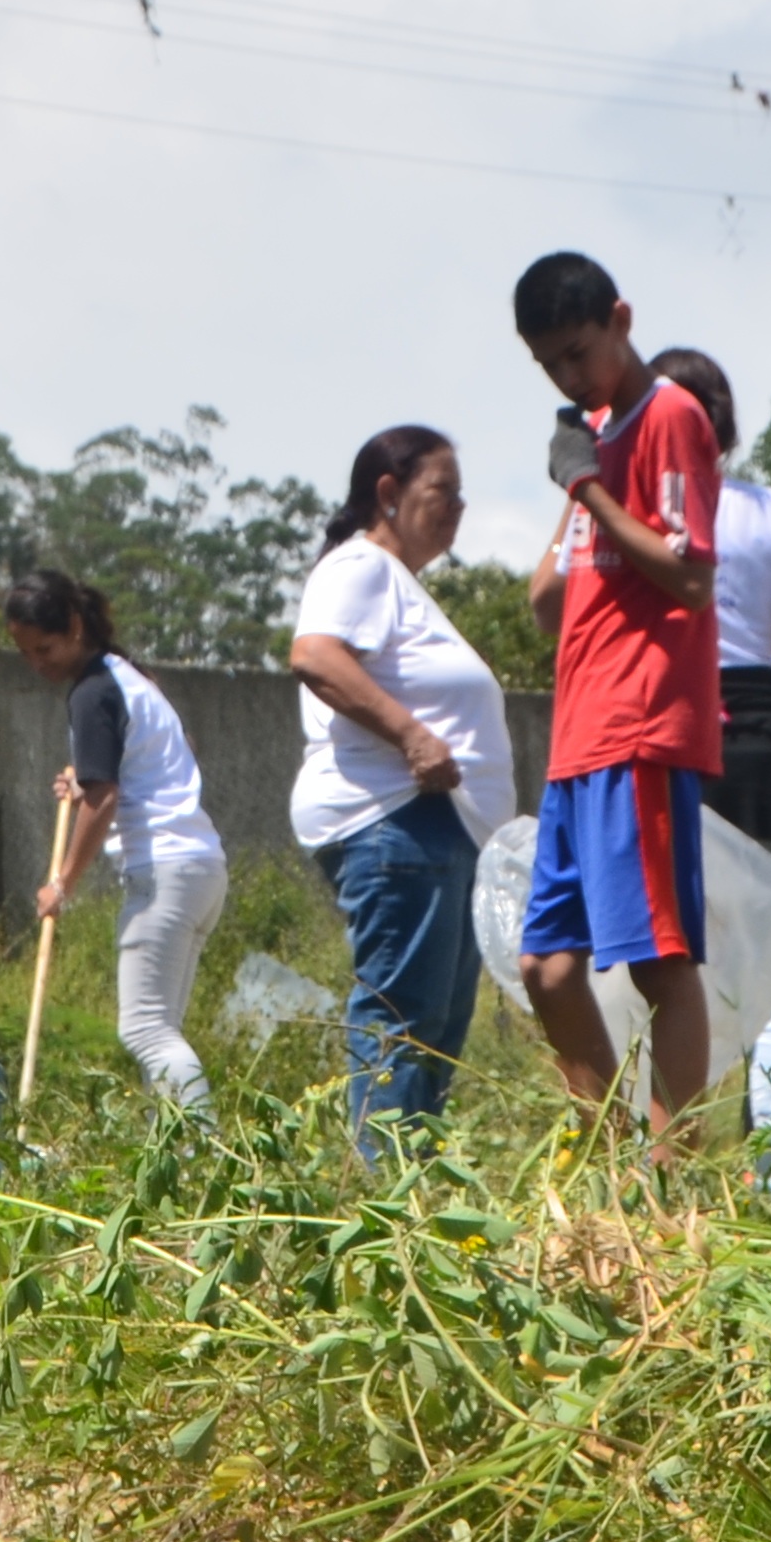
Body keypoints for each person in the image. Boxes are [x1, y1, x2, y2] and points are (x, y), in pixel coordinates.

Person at [509, 252, 724, 1131]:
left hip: (638, 724)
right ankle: (608, 1155)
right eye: (548, 364)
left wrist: (590, 488)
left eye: (579, 352)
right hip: (580, 732)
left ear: (622, 321)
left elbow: (689, 574)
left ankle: (676, 1181)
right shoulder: (598, 435)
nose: (567, 375)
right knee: (547, 970)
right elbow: (544, 601)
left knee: (657, 964)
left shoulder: (669, 417)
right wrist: (579, 483)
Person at [286, 426, 514, 1153]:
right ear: (388, 493)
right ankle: (386, 1204)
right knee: (403, 1017)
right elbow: (315, 655)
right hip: (397, 821)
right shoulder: (359, 567)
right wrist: (413, 736)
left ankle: (413, 1190)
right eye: (441, 491)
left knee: (437, 1025)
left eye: (460, 496)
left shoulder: (399, 585)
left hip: (439, 830)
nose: (457, 508)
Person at [7, 570, 228, 1116]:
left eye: (47, 648)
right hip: (200, 869)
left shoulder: (93, 693)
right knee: (163, 1031)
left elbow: (103, 801)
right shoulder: (131, 677)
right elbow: (151, 762)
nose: (40, 664)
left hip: (162, 872)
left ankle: (208, 1155)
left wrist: (62, 883)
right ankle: (167, 1160)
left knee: (145, 1032)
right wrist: (85, 780)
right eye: (27, 653)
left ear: (76, 627)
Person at [643, 348, 771, 902]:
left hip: (664, 720)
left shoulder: (628, 508)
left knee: (672, 928)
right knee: (770, 932)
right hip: (762, 733)